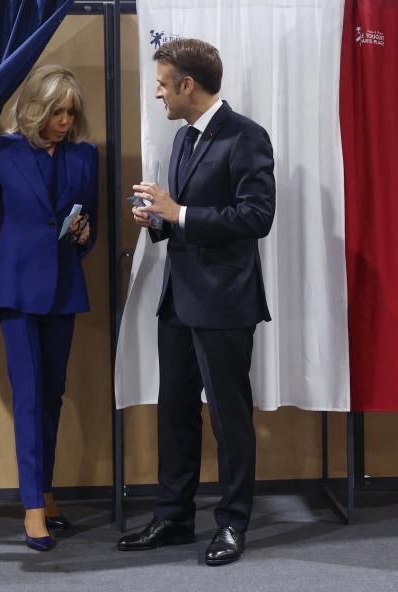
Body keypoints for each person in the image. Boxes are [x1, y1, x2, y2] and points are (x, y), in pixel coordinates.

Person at [117, 38, 275, 566]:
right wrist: (158, 220)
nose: (158, 94)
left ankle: (232, 524)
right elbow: (183, 215)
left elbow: (257, 218)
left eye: (163, 84)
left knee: (230, 419)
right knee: (176, 413)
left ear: (188, 84)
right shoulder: (183, 139)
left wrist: (178, 212)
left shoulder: (247, 136)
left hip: (226, 302)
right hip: (178, 299)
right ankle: (174, 517)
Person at [0, 65, 98, 552]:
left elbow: (88, 228)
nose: (64, 120)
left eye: (71, 112)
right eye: (56, 111)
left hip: (63, 288)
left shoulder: (84, 156)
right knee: (30, 396)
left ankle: (47, 492)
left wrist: (84, 235)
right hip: (16, 290)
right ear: (36, 108)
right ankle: (31, 507)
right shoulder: (3, 151)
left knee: (53, 394)